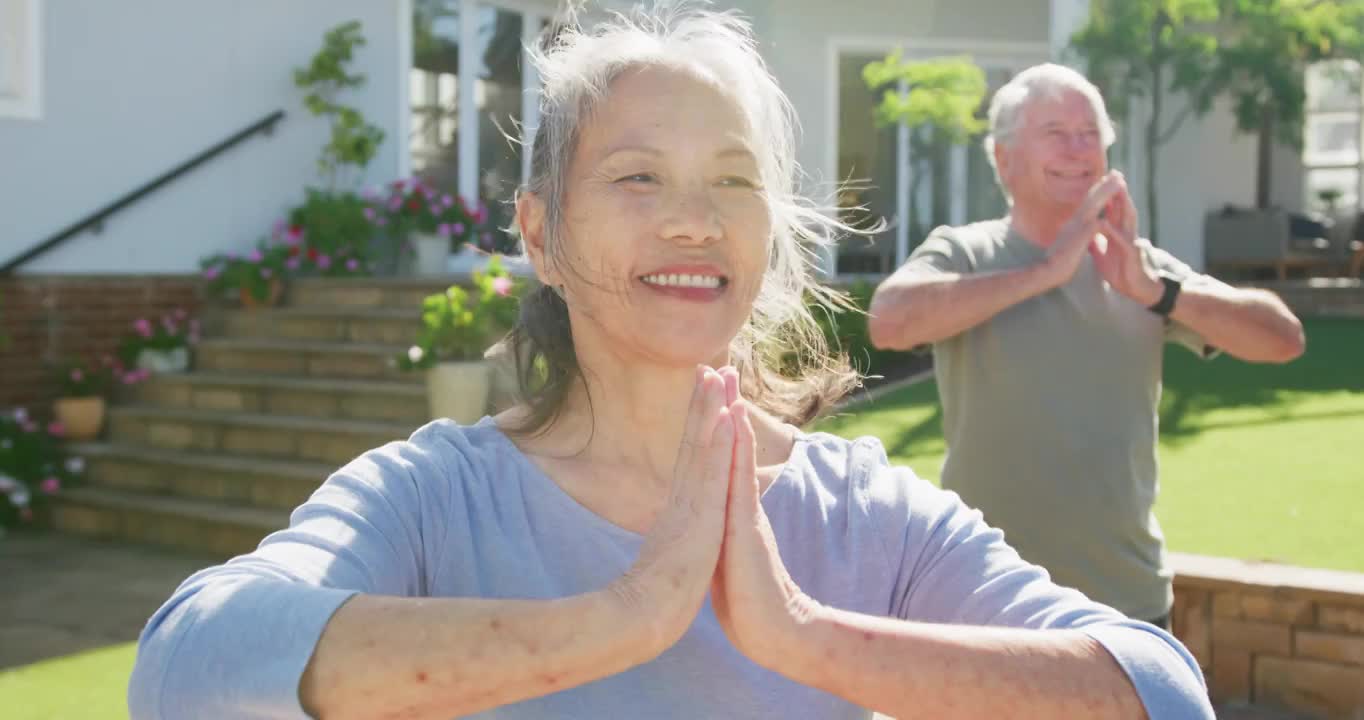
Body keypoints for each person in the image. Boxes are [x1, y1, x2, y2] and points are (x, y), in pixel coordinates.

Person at [128, 8, 1215, 719]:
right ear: (541, 235)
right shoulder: (432, 498)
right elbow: (184, 673)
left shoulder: (866, 514)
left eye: (733, 181)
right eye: (637, 178)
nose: (694, 220)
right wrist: (625, 615)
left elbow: (1160, 691)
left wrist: (804, 635)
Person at [868, 63, 1305, 630]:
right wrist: (1046, 272)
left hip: (1124, 608)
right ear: (1003, 159)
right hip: (982, 604)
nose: (1078, 150)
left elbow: (1282, 338)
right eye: (1055, 132)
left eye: (1090, 134)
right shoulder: (965, 253)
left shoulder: (1137, 267)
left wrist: (1158, 291)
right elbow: (889, 321)